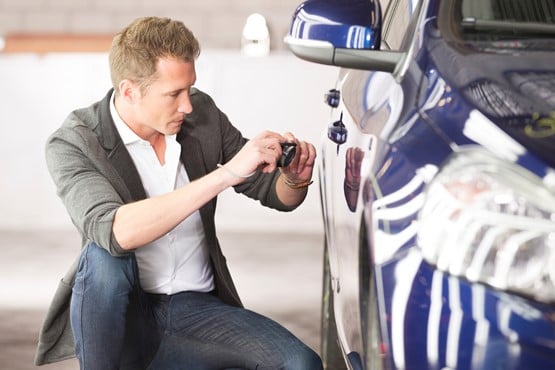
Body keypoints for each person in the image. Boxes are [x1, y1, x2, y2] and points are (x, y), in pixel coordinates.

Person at [34, 16, 323, 370]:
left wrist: (293, 179)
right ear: (129, 91)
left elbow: (271, 191)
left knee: (301, 363)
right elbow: (114, 231)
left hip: (195, 309)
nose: (187, 105)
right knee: (104, 260)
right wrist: (225, 175)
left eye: (190, 88)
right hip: (123, 319)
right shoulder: (76, 141)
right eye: (173, 94)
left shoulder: (200, 115)